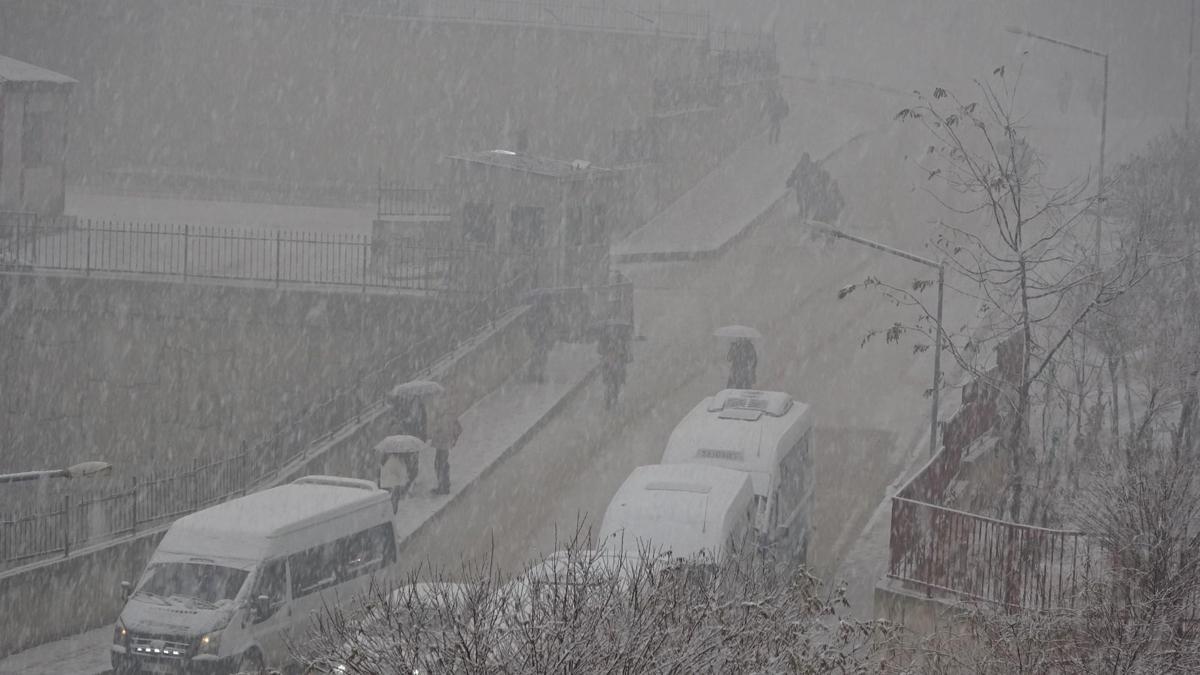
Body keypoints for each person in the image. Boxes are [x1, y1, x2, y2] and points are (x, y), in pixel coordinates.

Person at [390, 394, 427, 495]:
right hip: (406, 437)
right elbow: (397, 417)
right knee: (406, 459)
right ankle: (408, 481)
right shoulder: (402, 404)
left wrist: (422, 434)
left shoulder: (418, 404)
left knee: (413, 459)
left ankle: (411, 481)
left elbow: (421, 421)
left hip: (414, 436)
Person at [429, 397, 463, 496]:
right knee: (440, 464)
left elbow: (458, 429)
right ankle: (444, 484)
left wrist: (453, 440)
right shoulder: (444, 416)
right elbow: (458, 429)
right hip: (441, 444)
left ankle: (443, 486)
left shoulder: (448, 417)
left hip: (443, 445)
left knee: (440, 464)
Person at [599, 325, 630, 410]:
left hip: (614, 364)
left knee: (615, 379)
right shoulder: (619, 338)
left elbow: (625, 353)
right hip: (610, 365)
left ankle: (613, 397)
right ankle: (611, 398)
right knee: (612, 380)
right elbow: (600, 350)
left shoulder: (619, 339)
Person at [526, 297, 555, 383]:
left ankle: (537, 373)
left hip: (540, 338)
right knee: (540, 356)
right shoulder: (543, 313)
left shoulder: (534, 313)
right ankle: (538, 374)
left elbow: (550, 324)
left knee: (539, 355)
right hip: (540, 338)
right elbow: (550, 324)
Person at [787, 152, 815, 220]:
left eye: (806, 159)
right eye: (804, 159)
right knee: (800, 199)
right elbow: (794, 174)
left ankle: (806, 212)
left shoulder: (811, 166)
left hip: (808, 186)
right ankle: (802, 210)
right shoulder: (799, 167)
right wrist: (790, 181)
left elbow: (816, 174)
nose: (805, 161)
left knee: (807, 199)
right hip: (800, 187)